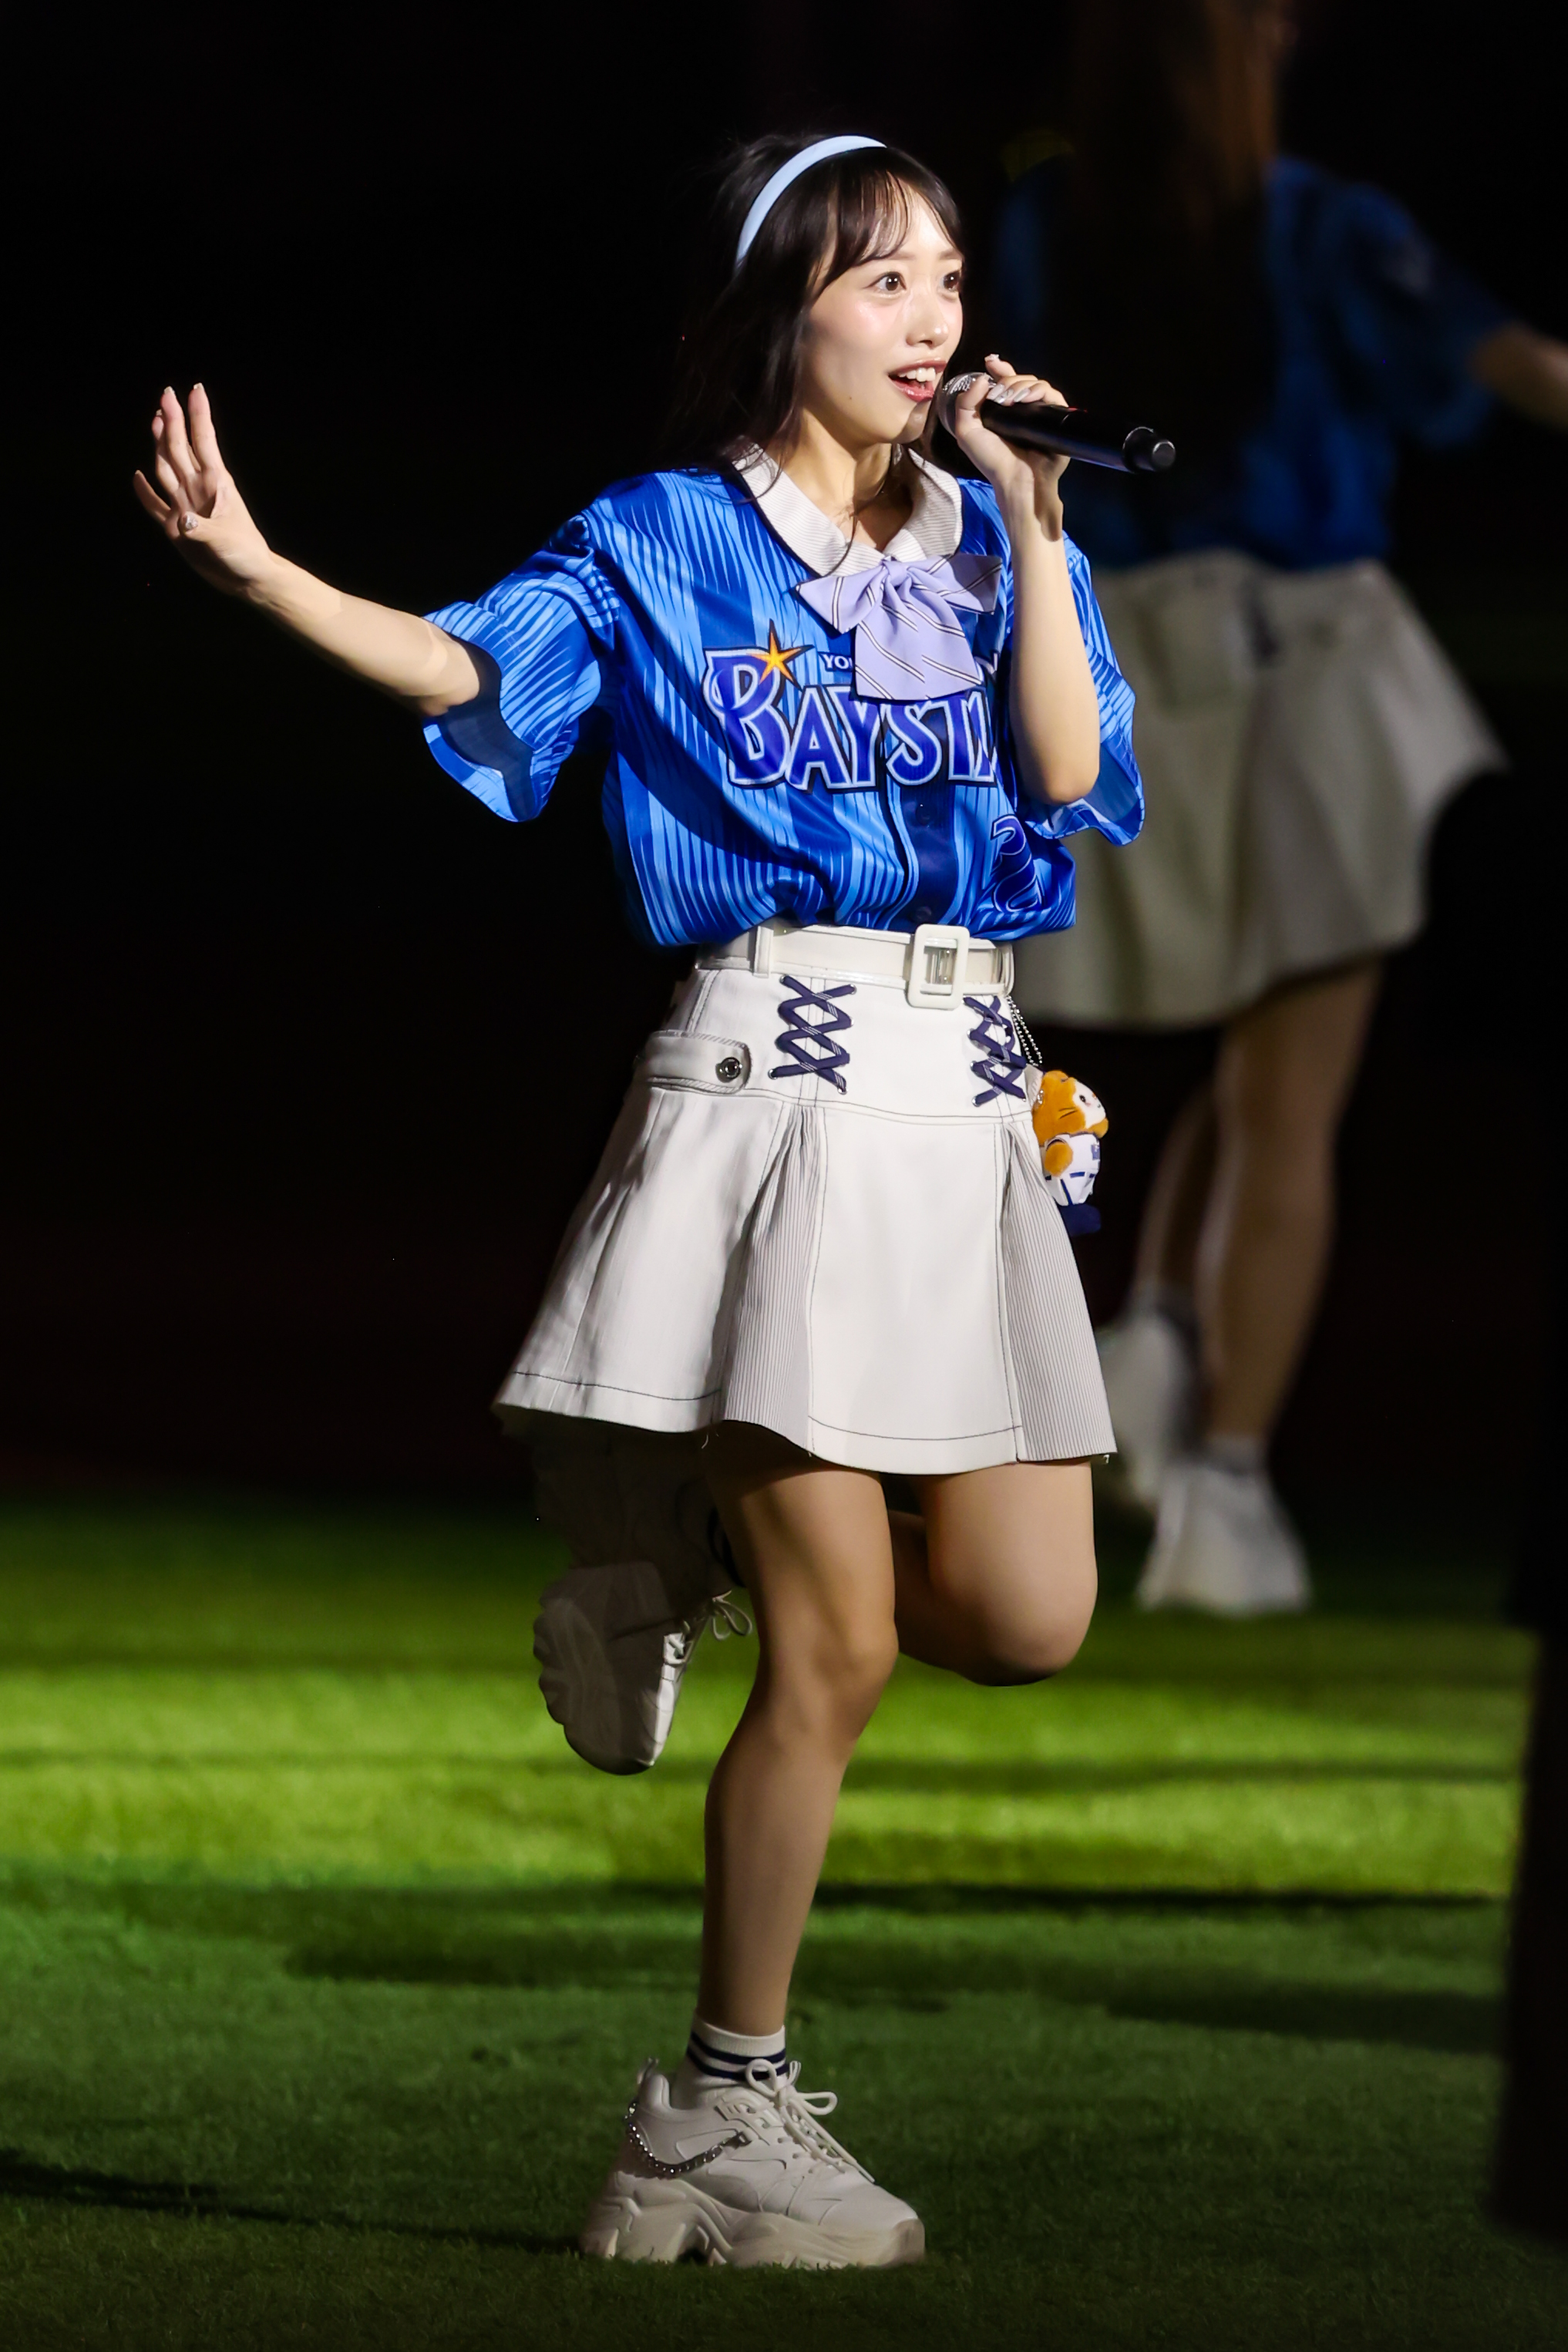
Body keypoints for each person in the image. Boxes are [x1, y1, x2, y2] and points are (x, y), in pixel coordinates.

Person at [136, 132, 1141, 2267]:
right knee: (846, 1645)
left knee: (1031, 1613)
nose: (934, 317)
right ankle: (715, 2107)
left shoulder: (986, 542)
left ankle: (676, 1528)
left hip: (963, 1114)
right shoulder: (666, 538)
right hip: (770, 1111)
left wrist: (1037, 525)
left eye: (950, 277)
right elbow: (465, 669)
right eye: (882, 282)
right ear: (780, 310)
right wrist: (260, 576)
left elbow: (1061, 778)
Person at [993, 0, 1568, 1614]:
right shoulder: (1324, 228)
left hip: (1135, 669)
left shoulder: (1042, 227)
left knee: (1242, 1069)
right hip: (1303, 670)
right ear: (1234, 47)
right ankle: (1228, 1489)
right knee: (1290, 1097)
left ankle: (1164, 1338)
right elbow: (1521, 372)